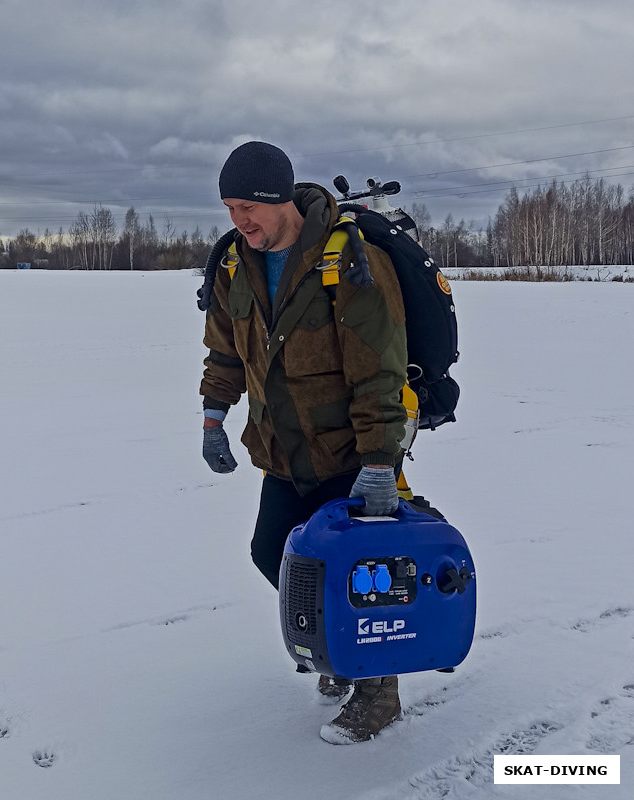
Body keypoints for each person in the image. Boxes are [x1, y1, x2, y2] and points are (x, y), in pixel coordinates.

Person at [199, 141, 408, 744]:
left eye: (248, 207)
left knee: (359, 574)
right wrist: (214, 416)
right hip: (282, 454)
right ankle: (336, 650)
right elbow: (224, 351)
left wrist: (378, 462)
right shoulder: (235, 264)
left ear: (280, 199)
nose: (239, 221)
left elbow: (380, 371)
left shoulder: (350, 260)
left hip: (348, 454)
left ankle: (379, 691)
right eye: (230, 208)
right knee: (277, 558)